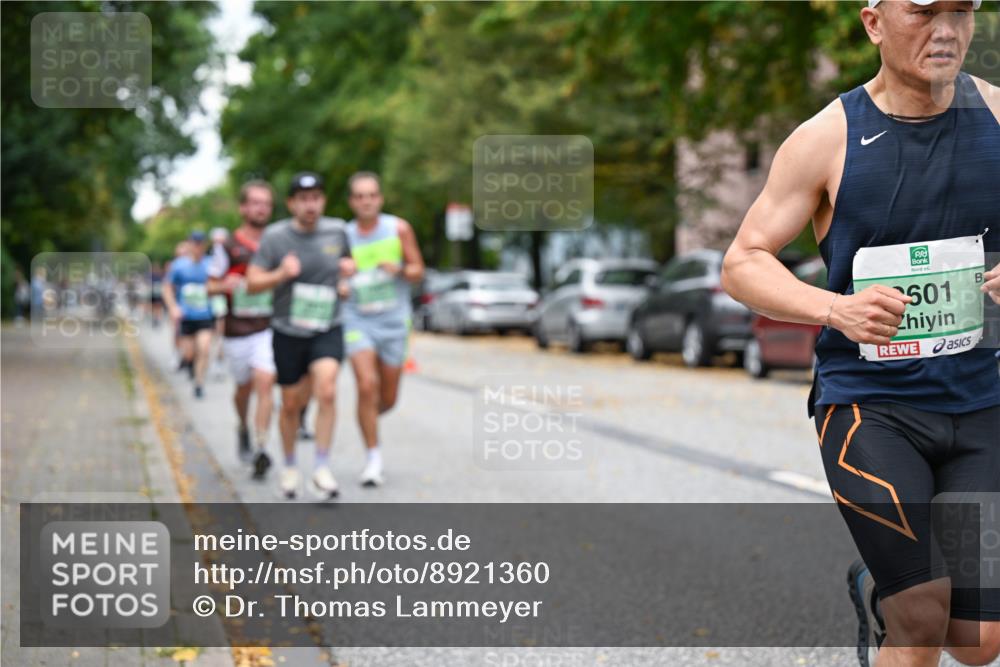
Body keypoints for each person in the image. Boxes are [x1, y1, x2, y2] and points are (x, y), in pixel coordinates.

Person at [722, 2, 999, 666]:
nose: (947, 31)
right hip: (869, 408)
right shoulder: (828, 138)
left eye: (962, 12)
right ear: (874, 23)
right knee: (922, 612)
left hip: (984, 399)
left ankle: (875, 584)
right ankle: (896, 599)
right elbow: (742, 261)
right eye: (925, 12)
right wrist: (834, 309)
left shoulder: (996, 114)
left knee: (979, 642)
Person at [246, 172, 355, 501]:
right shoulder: (275, 237)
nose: (311, 204)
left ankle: (321, 468)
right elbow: (251, 283)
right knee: (291, 403)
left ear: (323, 201)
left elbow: (345, 272)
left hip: (327, 326)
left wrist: (347, 279)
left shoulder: (338, 231)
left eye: (316, 197)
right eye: (303, 198)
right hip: (288, 330)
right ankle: (291, 465)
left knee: (327, 389)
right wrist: (281, 273)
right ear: (292, 203)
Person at [341, 172, 425, 487]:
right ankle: (373, 458)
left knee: (386, 399)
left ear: (380, 198)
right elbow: (336, 276)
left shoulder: (398, 228)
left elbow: (419, 270)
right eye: (360, 196)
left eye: (371, 195)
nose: (366, 201)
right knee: (366, 385)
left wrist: (401, 269)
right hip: (357, 319)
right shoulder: (344, 235)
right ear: (352, 201)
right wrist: (341, 281)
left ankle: (368, 418)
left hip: (393, 321)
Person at [208, 181, 278, 479]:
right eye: (255, 202)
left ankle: (261, 447)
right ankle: (242, 427)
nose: (261, 208)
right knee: (244, 388)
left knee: (265, 381)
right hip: (237, 330)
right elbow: (209, 285)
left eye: (266, 203)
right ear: (243, 207)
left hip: (268, 328)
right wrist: (225, 285)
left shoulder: (278, 242)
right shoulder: (227, 246)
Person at [163, 231, 216, 399]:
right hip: (186, 317)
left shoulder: (211, 264)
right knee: (189, 353)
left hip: (205, 315)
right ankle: (190, 365)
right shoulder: (179, 265)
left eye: (201, 243)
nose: (198, 247)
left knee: (205, 349)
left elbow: (219, 284)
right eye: (195, 243)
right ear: (189, 244)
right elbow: (167, 287)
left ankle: (199, 384)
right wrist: (173, 307)